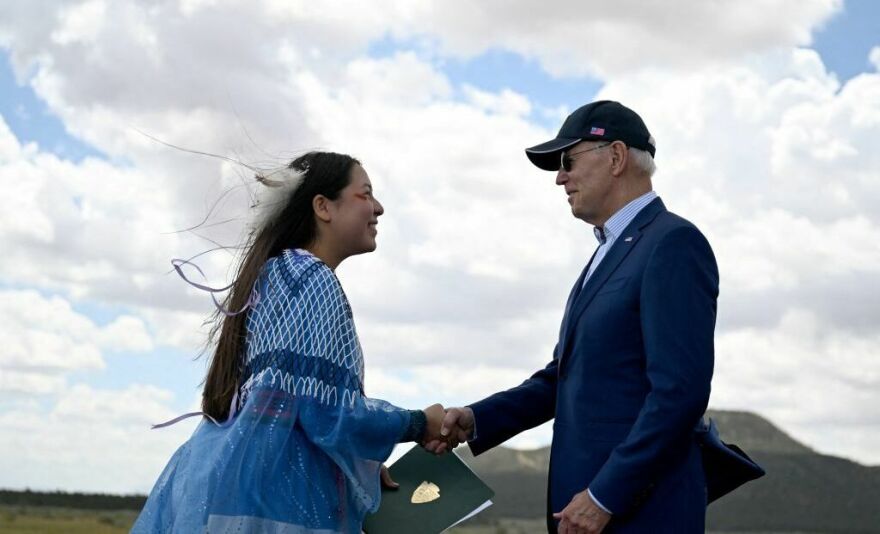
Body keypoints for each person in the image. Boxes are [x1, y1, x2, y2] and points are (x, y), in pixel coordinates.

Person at [427, 101, 719, 533]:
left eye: (567, 161)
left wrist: (605, 495)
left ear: (616, 157)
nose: (560, 178)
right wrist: (477, 419)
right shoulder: (607, 254)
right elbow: (560, 379)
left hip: (637, 515)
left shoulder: (673, 243)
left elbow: (680, 393)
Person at [133, 151, 446, 533]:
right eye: (364, 194)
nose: (378, 208)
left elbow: (289, 411)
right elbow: (329, 413)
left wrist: (346, 467)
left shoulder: (275, 274)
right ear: (323, 207)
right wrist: (418, 423)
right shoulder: (312, 279)